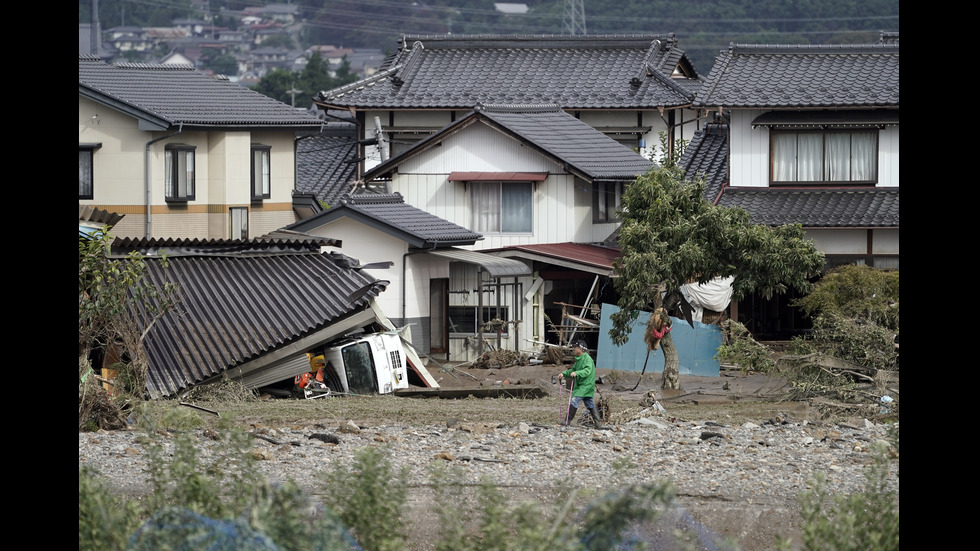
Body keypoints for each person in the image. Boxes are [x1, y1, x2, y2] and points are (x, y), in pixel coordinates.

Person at [558, 340, 603, 428]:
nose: (574, 349)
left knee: (574, 400)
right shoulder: (579, 360)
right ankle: (598, 423)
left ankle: (567, 421)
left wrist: (577, 373)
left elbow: (587, 371)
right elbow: (572, 370)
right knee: (590, 404)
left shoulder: (587, 358)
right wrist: (563, 374)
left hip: (585, 385)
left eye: (576, 347)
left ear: (581, 349)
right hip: (582, 386)